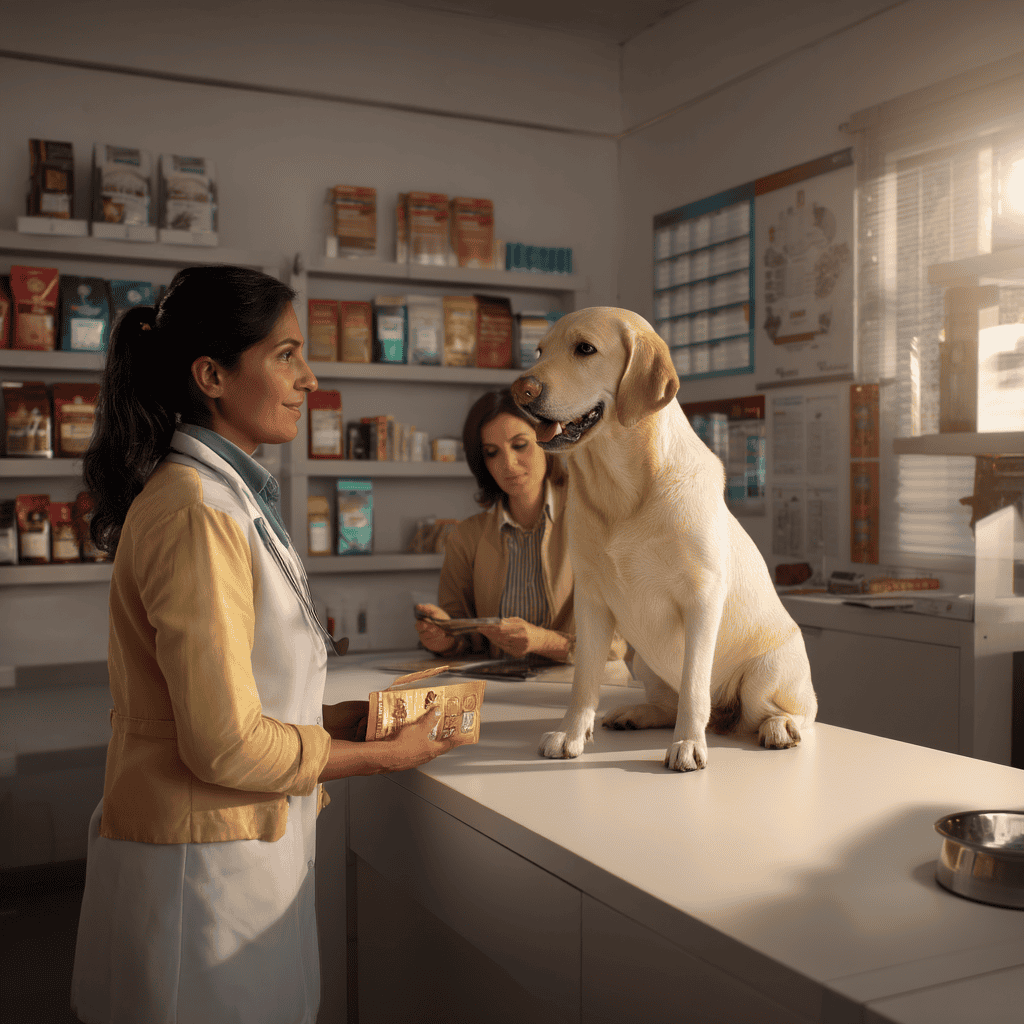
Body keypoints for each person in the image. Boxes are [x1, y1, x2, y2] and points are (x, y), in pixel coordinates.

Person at [71, 265, 453, 1024]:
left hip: (240, 851)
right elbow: (225, 747)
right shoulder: (197, 512)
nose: (309, 378)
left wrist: (345, 719)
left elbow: (247, 694)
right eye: (285, 355)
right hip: (202, 877)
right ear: (212, 375)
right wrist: (386, 756)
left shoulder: (227, 498)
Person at [414, 388, 626, 665]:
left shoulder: (594, 519)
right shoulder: (467, 537)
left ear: (548, 440)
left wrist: (543, 641)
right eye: (492, 453)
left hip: (578, 692)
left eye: (520, 445)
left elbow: (616, 644)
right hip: (499, 694)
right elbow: (462, 638)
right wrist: (444, 638)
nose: (508, 464)